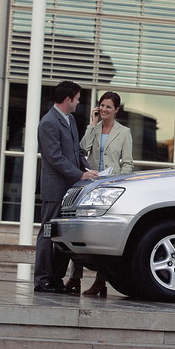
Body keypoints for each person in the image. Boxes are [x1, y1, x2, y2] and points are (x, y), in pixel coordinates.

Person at [65, 91, 133, 296]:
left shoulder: (124, 132)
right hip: (90, 184)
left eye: (108, 107)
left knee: (101, 236)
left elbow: (128, 163)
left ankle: (100, 282)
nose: (103, 109)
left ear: (116, 110)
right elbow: (81, 149)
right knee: (79, 232)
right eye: (101, 105)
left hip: (110, 187)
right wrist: (92, 125)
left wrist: (118, 180)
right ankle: (75, 277)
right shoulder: (94, 128)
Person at [34, 81, 99, 293]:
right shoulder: (48, 123)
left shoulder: (69, 119)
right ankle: (42, 280)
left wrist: (89, 171)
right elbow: (55, 158)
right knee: (47, 234)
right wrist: (80, 174)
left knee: (64, 235)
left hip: (70, 189)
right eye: (78, 99)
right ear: (67, 99)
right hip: (54, 188)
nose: (79, 103)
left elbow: (76, 152)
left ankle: (55, 279)